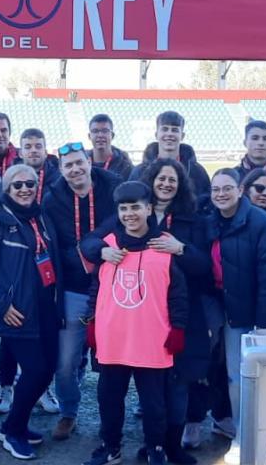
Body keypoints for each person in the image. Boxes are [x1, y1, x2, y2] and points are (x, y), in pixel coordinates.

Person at [80, 181, 189, 465]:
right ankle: (110, 447)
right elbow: (97, 287)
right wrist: (91, 322)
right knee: (108, 399)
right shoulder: (108, 247)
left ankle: (155, 449)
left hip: (152, 340)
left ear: (149, 209)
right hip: (113, 338)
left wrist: (178, 328)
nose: (130, 214)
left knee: (154, 405)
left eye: (136, 207)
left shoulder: (164, 245)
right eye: (124, 208)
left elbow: (178, 294)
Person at [0, 164, 63, 460]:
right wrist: (2, 305)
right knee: (35, 369)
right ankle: (12, 430)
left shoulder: (41, 216)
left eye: (30, 183)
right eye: (17, 185)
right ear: (7, 189)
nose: (24, 189)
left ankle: (16, 424)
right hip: (17, 311)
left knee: (47, 369)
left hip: (46, 307)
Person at [205, 168, 266, 464]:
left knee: (260, 378)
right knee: (234, 379)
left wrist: (262, 327)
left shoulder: (261, 223)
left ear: (240, 190)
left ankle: (264, 433)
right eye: (216, 189)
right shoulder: (212, 220)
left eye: (227, 188)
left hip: (257, 318)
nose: (221, 194)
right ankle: (242, 433)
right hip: (230, 316)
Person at [41, 142, 121, 441]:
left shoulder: (113, 187)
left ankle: (111, 418)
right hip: (74, 289)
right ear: (61, 170)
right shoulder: (53, 199)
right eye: (68, 166)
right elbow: (54, 246)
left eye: (79, 162)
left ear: (89, 161)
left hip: (111, 287)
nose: (75, 169)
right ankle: (68, 411)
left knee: (113, 361)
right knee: (65, 362)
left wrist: (95, 247)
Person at [139, 159, 212, 464]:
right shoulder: (136, 213)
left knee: (180, 381)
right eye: (161, 178)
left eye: (173, 180)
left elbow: (206, 267)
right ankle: (153, 444)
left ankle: (173, 444)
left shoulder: (193, 219)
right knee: (150, 384)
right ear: (151, 181)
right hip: (144, 312)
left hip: (184, 312)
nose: (166, 184)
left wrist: (181, 249)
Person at [0, 128, 62, 416]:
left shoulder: (55, 182)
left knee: (43, 357)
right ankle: (6, 386)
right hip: (16, 292)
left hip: (43, 289)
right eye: (28, 146)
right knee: (14, 343)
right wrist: (1, 301)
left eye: (38, 145)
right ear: (20, 150)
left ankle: (41, 389)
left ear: (46, 149)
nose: (34, 150)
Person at [130, 111, 210, 197]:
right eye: (165, 129)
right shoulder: (140, 172)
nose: (169, 134)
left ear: (182, 136)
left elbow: (206, 202)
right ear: (156, 134)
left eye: (174, 130)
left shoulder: (197, 171)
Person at [87, 114, 133, 179]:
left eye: (105, 131)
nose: (100, 135)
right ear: (89, 136)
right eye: (95, 131)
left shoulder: (124, 164)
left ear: (112, 135)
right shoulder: (83, 163)